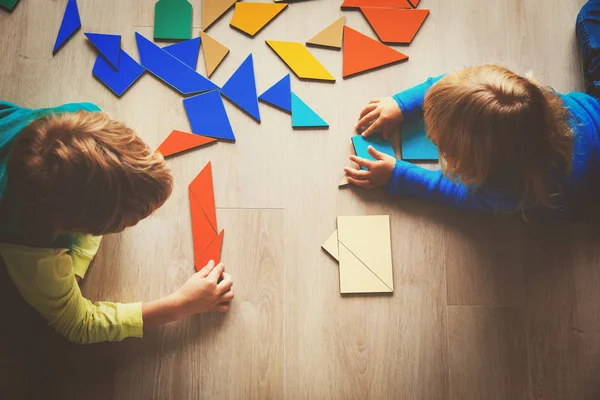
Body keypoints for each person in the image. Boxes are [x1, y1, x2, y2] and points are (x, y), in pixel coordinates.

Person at [0, 101, 234, 344]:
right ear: (89, 231)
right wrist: (181, 305)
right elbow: (78, 324)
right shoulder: (31, 248)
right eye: (128, 222)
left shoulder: (90, 115)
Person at [345, 2, 600, 221]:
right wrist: (401, 104)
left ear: (474, 164)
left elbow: (452, 192)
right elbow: (455, 83)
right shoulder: (524, 96)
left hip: (585, 191)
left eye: (439, 139)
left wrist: (398, 175)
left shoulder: (505, 192)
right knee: (590, 13)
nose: (431, 136)